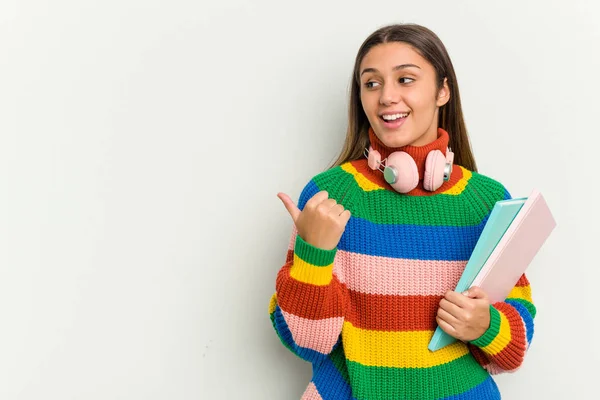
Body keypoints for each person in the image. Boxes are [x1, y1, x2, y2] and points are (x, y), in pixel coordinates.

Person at [268, 23, 535, 400]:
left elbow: (513, 349)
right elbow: (307, 344)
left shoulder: (486, 200)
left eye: (405, 79)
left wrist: (486, 326)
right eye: (371, 84)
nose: (386, 97)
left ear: (443, 91)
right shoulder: (331, 196)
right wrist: (314, 254)